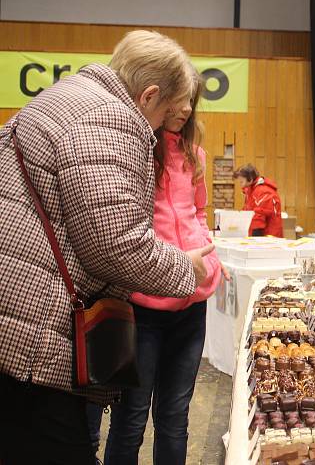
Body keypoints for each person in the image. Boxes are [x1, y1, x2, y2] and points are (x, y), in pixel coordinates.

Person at [0, 30, 213, 465]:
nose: (164, 125)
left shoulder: (69, 96)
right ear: (149, 95)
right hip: (35, 336)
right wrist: (185, 269)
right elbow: (114, 245)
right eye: (167, 111)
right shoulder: (110, 120)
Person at [104, 71, 222, 464]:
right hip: (144, 308)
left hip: (191, 306)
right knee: (131, 419)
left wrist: (210, 257)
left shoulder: (196, 155)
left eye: (192, 100)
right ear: (157, 97)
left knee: (175, 417)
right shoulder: (133, 151)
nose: (186, 108)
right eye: (179, 98)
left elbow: (199, 213)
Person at [234, 163, 283, 237]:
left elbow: (259, 218)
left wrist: (254, 241)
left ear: (250, 179)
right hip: (259, 236)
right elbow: (247, 212)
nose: (240, 184)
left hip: (269, 238)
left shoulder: (264, 192)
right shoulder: (251, 191)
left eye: (241, 182)